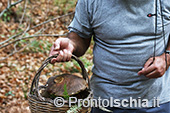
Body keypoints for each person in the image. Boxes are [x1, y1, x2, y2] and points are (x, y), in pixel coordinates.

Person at [49, 0, 170, 112]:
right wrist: (71, 44)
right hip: (105, 101)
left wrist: (167, 57)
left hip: (157, 101)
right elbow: (80, 36)